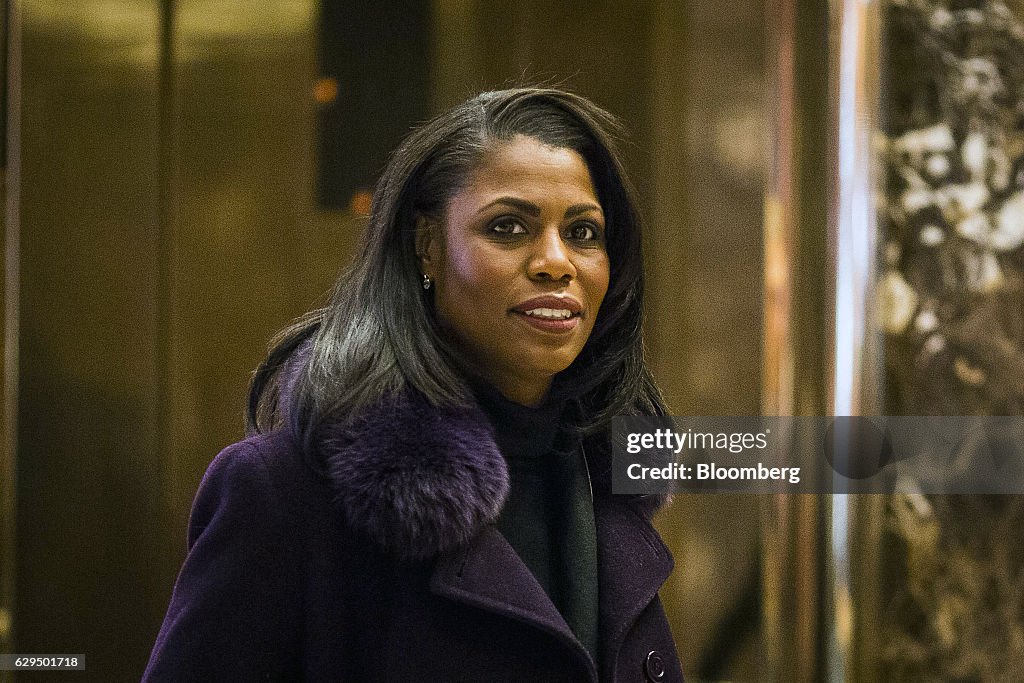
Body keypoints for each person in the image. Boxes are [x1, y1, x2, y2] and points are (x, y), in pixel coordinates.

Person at [143, 87, 684, 682]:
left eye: (583, 233)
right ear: (427, 246)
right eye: (508, 228)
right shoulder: (285, 492)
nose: (556, 262)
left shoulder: (604, 481)